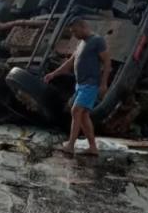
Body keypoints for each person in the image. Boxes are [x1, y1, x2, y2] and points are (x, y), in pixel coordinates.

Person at [44, 18, 111, 156]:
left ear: (83, 26)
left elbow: (107, 62)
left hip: (91, 84)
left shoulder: (97, 41)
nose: (74, 34)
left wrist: (104, 84)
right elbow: (70, 63)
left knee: (76, 111)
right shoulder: (81, 43)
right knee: (84, 116)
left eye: (75, 31)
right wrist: (53, 74)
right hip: (80, 85)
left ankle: (70, 145)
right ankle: (93, 148)